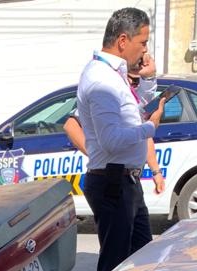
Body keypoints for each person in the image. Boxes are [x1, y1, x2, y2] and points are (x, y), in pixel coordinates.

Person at [76, 7, 165, 271]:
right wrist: (151, 127)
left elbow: (134, 111)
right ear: (123, 41)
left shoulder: (115, 74)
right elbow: (112, 140)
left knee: (141, 259)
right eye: (143, 43)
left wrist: (148, 79)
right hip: (112, 182)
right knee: (116, 268)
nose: (145, 50)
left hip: (127, 180)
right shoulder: (101, 80)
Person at [64, 54, 165, 197]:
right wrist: (96, 153)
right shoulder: (106, 93)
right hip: (111, 178)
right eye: (133, 80)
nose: (135, 85)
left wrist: (156, 171)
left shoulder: (131, 103)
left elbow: (144, 137)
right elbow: (70, 125)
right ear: (124, 77)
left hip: (130, 178)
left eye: (139, 81)